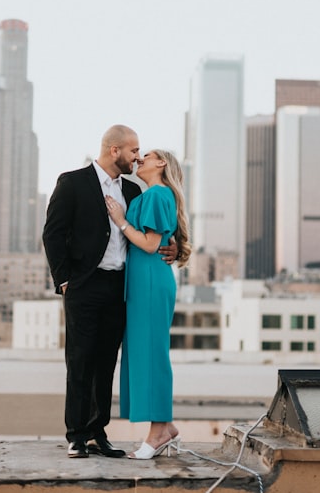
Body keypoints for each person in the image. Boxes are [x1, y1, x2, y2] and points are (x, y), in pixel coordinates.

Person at [42, 125, 176, 459]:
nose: (137, 157)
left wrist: (172, 245)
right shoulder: (72, 182)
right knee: (80, 360)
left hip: (121, 287)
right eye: (133, 151)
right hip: (84, 285)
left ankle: (97, 433)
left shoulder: (133, 191)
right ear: (114, 150)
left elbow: (154, 231)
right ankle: (76, 435)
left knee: (105, 363)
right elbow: (53, 234)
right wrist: (64, 279)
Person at [105, 148, 191, 459]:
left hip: (151, 282)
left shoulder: (157, 195)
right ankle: (166, 428)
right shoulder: (148, 195)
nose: (140, 158)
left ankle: (157, 435)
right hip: (142, 282)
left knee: (152, 354)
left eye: (148, 154)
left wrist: (119, 220)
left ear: (161, 163)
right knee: (144, 352)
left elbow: (151, 244)